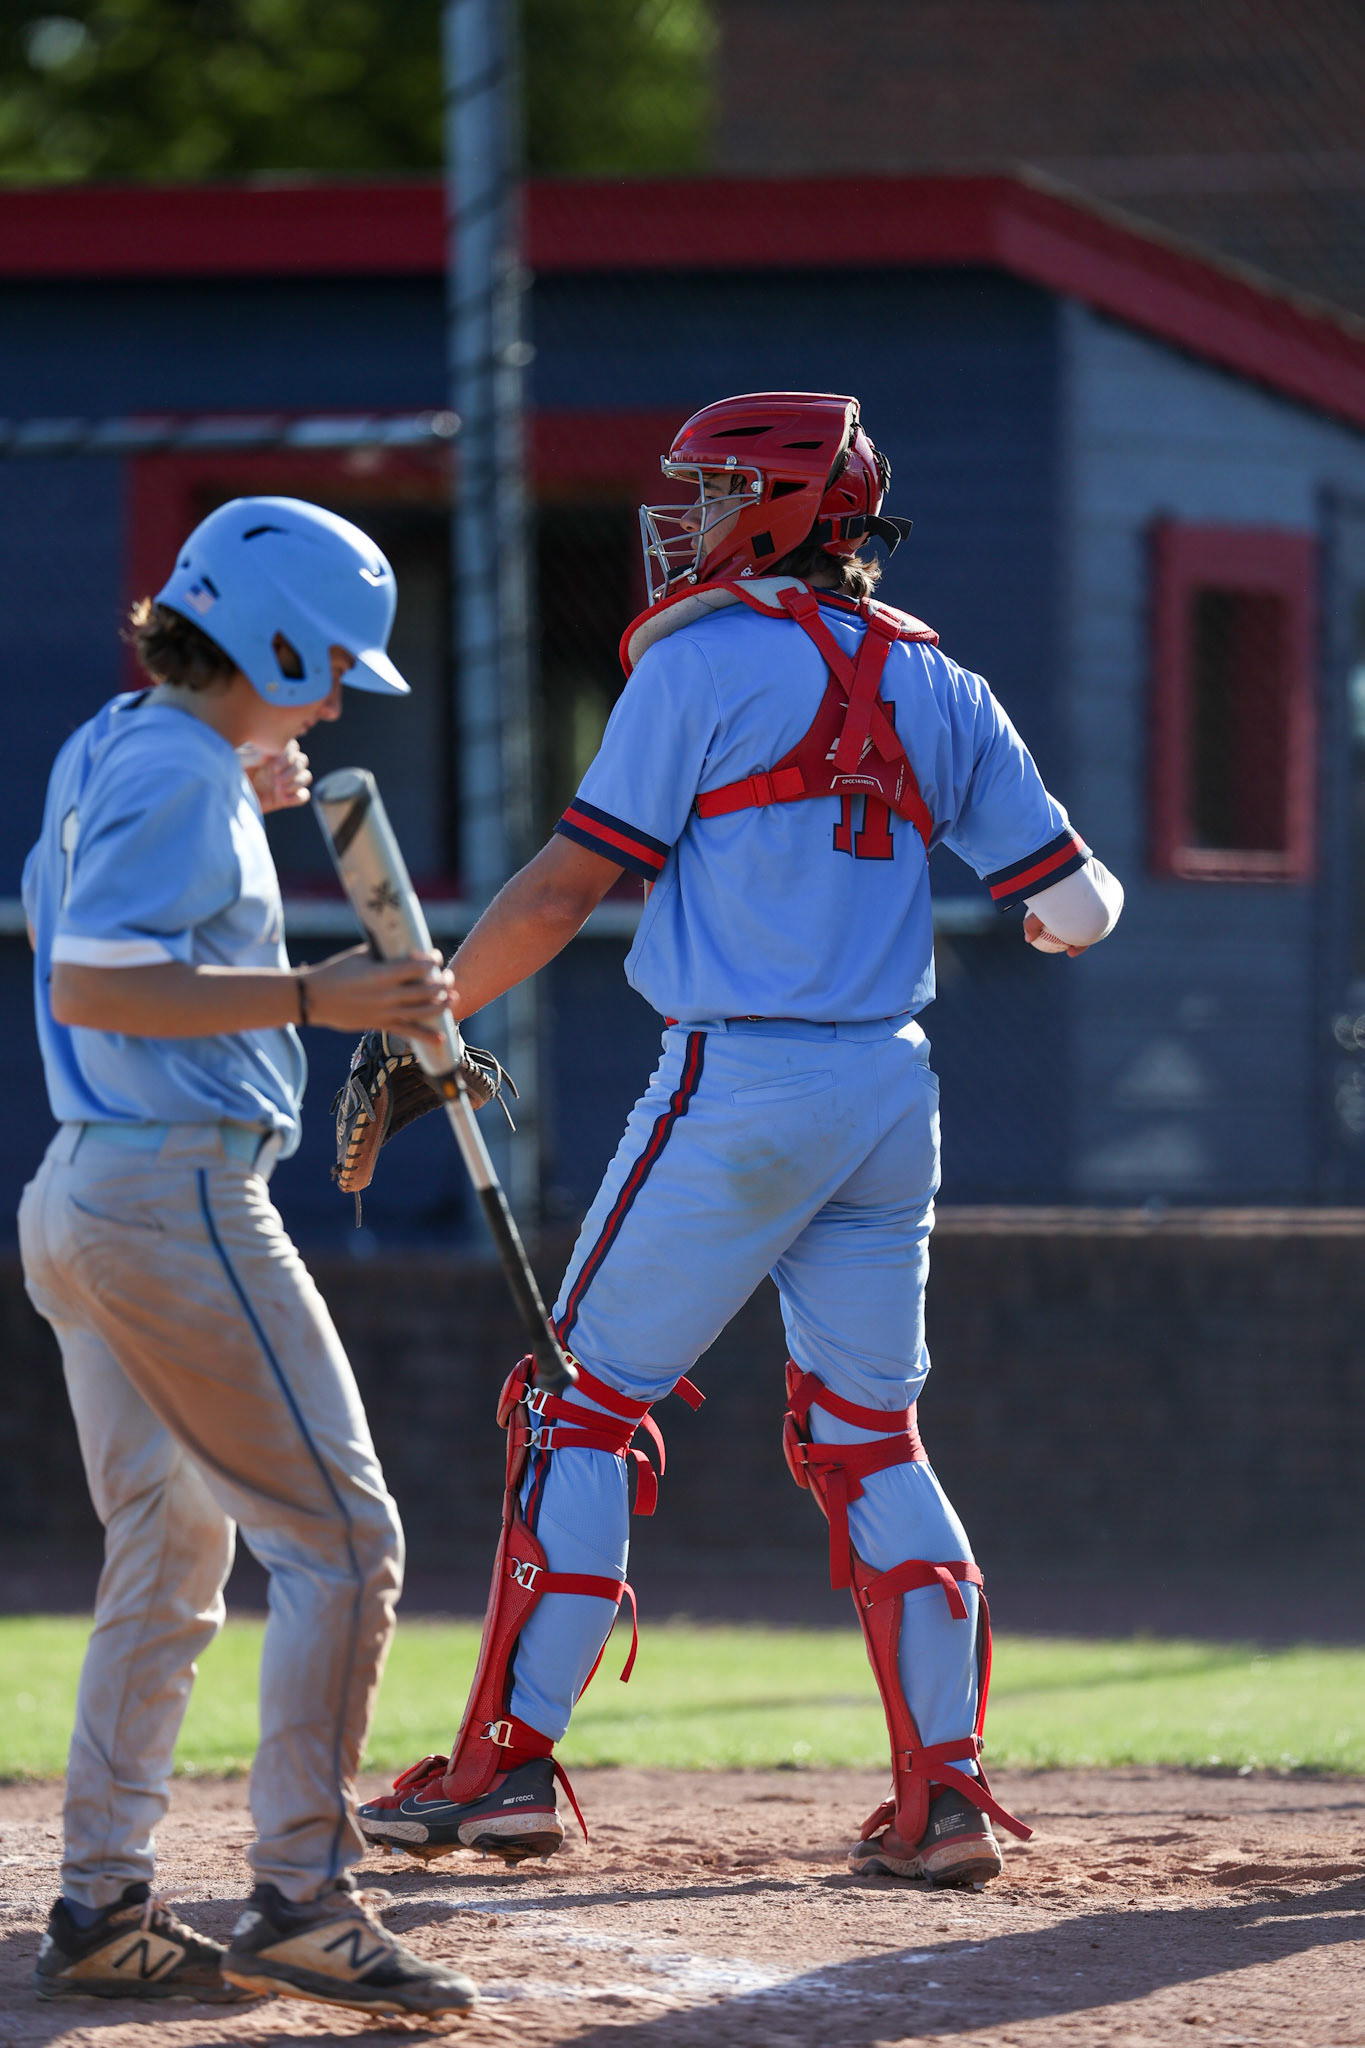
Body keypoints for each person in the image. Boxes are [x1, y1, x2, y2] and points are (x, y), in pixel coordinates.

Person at [357, 392, 1124, 1888]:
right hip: (890, 1090)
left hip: (738, 1080)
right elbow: (1077, 909)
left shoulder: (698, 661)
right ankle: (945, 1795)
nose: (688, 521)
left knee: (571, 1408)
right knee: (866, 1434)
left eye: (713, 493)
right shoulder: (936, 675)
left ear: (779, 507)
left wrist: (422, 1023)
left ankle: (501, 1772)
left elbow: (565, 889)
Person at [20, 497, 476, 2017]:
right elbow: (95, 979)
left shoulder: (131, 743)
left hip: (88, 1197)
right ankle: (303, 1895)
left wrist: (240, 783)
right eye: (326, 663)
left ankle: (101, 1906)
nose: (337, 695)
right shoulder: (172, 768)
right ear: (268, 638)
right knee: (344, 1541)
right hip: (173, 1199)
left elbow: (135, 889)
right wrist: (314, 1000)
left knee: (172, 1551)